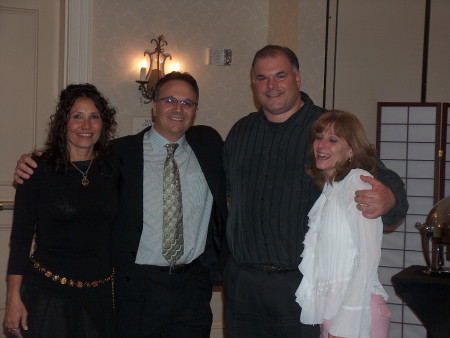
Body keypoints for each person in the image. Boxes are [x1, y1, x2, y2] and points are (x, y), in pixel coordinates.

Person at [13, 72, 228, 337]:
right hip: (138, 287)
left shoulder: (209, 144)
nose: (178, 109)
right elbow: (76, 160)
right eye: (170, 99)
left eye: (187, 103)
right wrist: (35, 161)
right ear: (154, 105)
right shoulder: (118, 155)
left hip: (192, 287)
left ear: (195, 111)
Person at [223, 45, 408, 337]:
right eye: (262, 78)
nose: (271, 86)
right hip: (243, 285)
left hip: (302, 286)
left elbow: (382, 177)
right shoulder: (240, 132)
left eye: (280, 75)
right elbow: (228, 197)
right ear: (253, 83)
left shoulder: (327, 130)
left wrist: (391, 197)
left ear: (297, 78)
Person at [4, 84, 119, 337]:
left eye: (94, 117)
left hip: (99, 296)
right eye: (77, 116)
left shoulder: (114, 167)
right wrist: (13, 298)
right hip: (48, 294)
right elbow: (21, 238)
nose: (86, 125)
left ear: (104, 123)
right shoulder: (36, 168)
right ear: (63, 123)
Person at [296, 110, 391, 338]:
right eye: (319, 137)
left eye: (333, 140)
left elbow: (367, 257)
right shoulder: (331, 189)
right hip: (335, 310)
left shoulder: (357, 183)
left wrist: (345, 323)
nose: (321, 145)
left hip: (357, 313)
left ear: (351, 149)